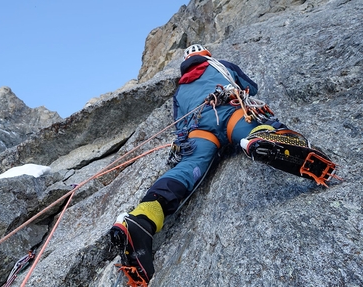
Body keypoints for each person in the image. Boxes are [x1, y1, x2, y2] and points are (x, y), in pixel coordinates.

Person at [109, 44, 337, 285]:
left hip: (199, 131)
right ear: (205, 54)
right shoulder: (220, 65)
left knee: (188, 168)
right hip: (229, 109)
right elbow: (250, 86)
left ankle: (143, 218)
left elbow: (179, 124)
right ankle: (261, 138)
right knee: (251, 127)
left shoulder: (180, 90)